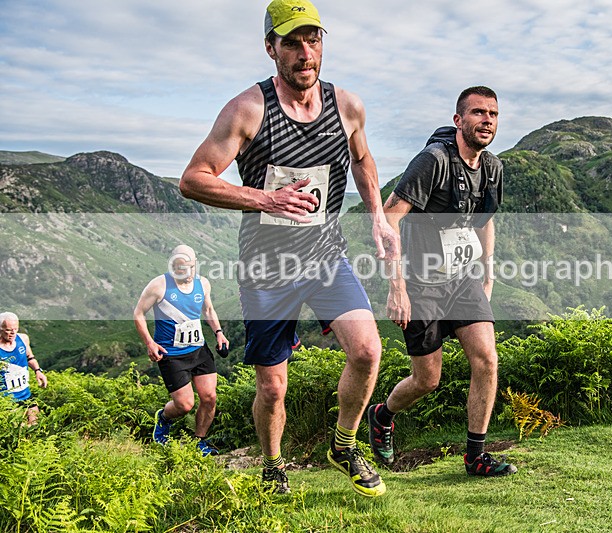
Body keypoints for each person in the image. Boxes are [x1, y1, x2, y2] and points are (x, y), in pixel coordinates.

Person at [179, 0, 398, 497]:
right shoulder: (248, 109)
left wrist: (380, 218)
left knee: (367, 351)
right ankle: (273, 467)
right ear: (270, 48)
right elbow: (193, 179)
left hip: (325, 254)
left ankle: (343, 445)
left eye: (313, 40)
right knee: (273, 386)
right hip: (266, 266)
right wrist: (267, 198)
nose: (305, 53)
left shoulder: (347, 105)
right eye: (292, 43)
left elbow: (363, 160)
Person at [368, 86, 517, 477]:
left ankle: (475, 457)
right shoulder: (433, 161)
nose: (487, 120)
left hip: (463, 279)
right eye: (478, 113)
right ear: (458, 120)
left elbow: (485, 223)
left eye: (493, 114)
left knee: (486, 359)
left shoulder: (493, 169)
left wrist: (488, 272)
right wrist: (396, 287)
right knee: (426, 379)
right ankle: (382, 415)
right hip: (421, 285)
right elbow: (389, 218)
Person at [133, 245, 228, 457]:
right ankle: (164, 418)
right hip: (172, 354)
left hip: (198, 349)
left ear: (195, 265)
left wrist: (219, 333)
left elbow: (208, 309)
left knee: (210, 397)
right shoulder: (159, 285)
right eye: (179, 267)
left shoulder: (202, 284)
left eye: (188, 267)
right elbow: (138, 314)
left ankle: (198, 442)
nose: (184, 272)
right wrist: (149, 342)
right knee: (185, 405)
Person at [0, 312, 48, 425]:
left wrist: (38, 371)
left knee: (35, 427)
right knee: (17, 431)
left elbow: (30, 358)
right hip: (8, 400)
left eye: (15, 329)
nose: (12, 333)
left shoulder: (23, 339)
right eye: (8, 330)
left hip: (26, 394)